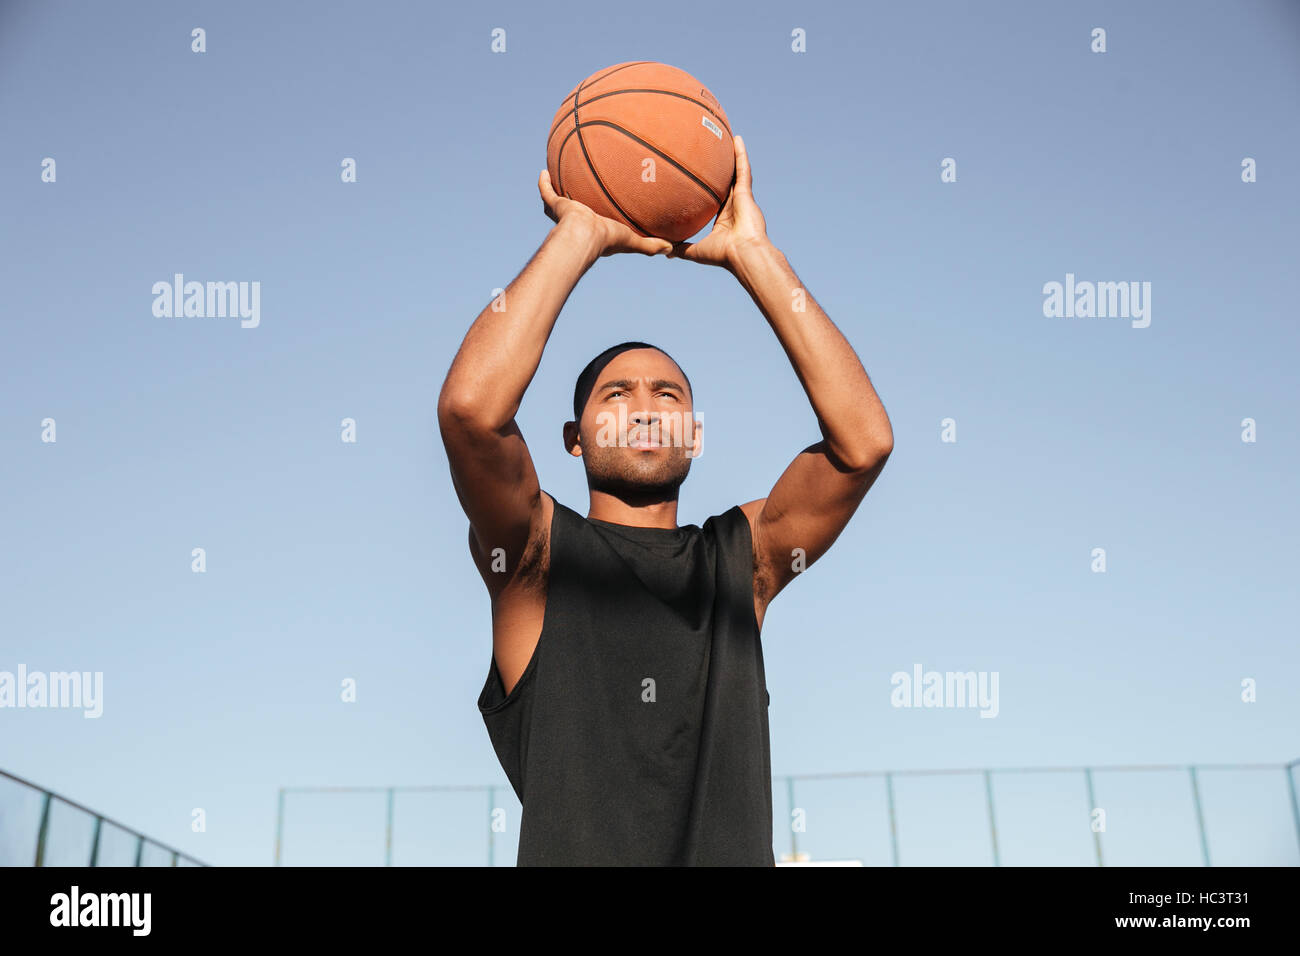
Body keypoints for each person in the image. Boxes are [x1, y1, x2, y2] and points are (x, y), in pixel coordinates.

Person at [437, 135, 893, 865]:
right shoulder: (535, 555)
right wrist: (580, 234)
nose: (644, 406)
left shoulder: (742, 561)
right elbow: (470, 412)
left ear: (695, 433)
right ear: (573, 438)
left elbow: (862, 445)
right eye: (616, 394)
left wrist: (754, 256)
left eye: (668, 394)